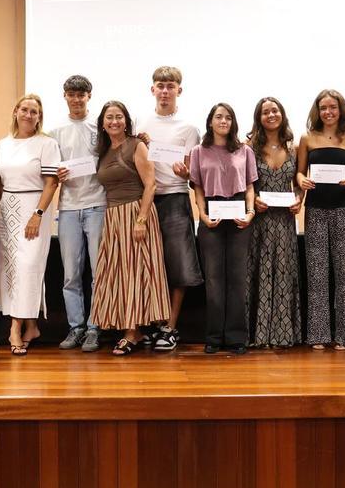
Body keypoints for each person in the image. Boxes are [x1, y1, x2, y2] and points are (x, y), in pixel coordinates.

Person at [89, 101, 171, 355]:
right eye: (109, 117)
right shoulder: (103, 151)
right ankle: (132, 329)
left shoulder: (136, 145)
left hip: (135, 213)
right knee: (118, 275)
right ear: (102, 123)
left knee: (135, 274)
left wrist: (141, 219)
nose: (114, 121)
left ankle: (131, 333)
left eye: (119, 117)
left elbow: (151, 184)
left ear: (126, 121)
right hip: (113, 217)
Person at [135, 66, 202, 351]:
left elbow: (193, 171)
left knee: (179, 265)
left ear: (179, 90)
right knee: (149, 266)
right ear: (152, 89)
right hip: (145, 200)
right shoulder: (139, 122)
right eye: (160, 86)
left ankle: (170, 327)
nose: (165, 91)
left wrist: (186, 173)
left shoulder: (189, 128)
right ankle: (152, 324)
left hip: (175, 197)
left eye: (170, 86)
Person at [0, 94, 60, 355]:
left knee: (28, 266)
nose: (29, 115)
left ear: (39, 116)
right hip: (8, 208)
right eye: (24, 110)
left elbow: (52, 183)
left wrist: (38, 213)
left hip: (34, 208)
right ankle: (32, 327)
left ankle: (15, 328)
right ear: (16, 111)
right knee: (11, 268)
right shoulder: (3, 144)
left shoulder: (47, 143)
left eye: (34, 111)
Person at [296, 89, 345, 350]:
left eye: (333, 107)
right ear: (317, 111)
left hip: (344, 210)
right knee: (317, 273)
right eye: (323, 108)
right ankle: (318, 334)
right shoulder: (307, 138)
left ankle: (344, 335)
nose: (328, 112)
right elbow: (300, 173)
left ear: (340, 109)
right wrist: (302, 180)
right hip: (315, 210)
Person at [190, 103, 257, 354]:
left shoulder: (244, 150)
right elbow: (197, 187)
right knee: (214, 279)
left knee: (237, 278)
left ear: (233, 122)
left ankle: (237, 337)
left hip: (239, 214)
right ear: (210, 121)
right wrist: (202, 215)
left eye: (228, 117)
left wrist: (250, 213)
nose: (223, 121)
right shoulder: (198, 151)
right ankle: (214, 337)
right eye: (218, 117)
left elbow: (249, 186)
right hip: (212, 214)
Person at [50, 75, 105, 352]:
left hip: (98, 204)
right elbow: (50, 169)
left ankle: (95, 328)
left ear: (89, 96)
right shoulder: (55, 131)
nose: (76, 99)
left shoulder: (100, 126)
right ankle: (76, 327)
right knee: (71, 274)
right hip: (69, 207)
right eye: (71, 94)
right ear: (65, 96)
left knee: (98, 271)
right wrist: (57, 173)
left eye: (81, 94)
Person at [246, 97, 303, 348]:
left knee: (283, 273)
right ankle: (257, 335)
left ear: (282, 114)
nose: (271, 115)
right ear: (258, 118)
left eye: (275, 110)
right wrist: (253, 200)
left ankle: (283, 335)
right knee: (259, 271)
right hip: (260, 220)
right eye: (265, 112)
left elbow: (299, 183)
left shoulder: (294, 147)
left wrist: (300, 200)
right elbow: (244, 183)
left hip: (285, 221)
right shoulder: (249, 148)